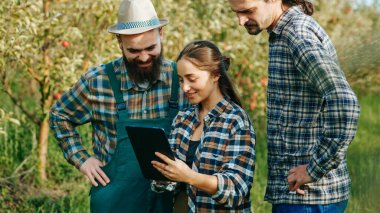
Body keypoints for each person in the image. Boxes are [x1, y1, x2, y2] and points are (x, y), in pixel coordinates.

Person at [49, 0, 189, 212]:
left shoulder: (181, 80)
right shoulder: (97, 82)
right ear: (119, 42)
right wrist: (82, 159)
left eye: (151, 48)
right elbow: (59, 115)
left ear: (161, 33)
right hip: (114, 202)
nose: (143, 57)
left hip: (168, 203)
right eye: (134, 50)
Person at [227, 0, 360, 212]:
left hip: (309, 198)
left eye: (248, 11)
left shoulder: (297, 36)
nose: (241, 21)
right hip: (298, 195)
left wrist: (313, 169)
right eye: (236, 13)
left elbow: (344, 102)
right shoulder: (285, 33)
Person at [151, 40, 256, 212]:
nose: (185, 87)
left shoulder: (236, 121)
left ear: (215, 74)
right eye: (181, 80)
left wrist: (190, 177)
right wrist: (163, 177)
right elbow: (170, 184)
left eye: (192, 79)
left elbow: (236, 190)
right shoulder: (182, 119)